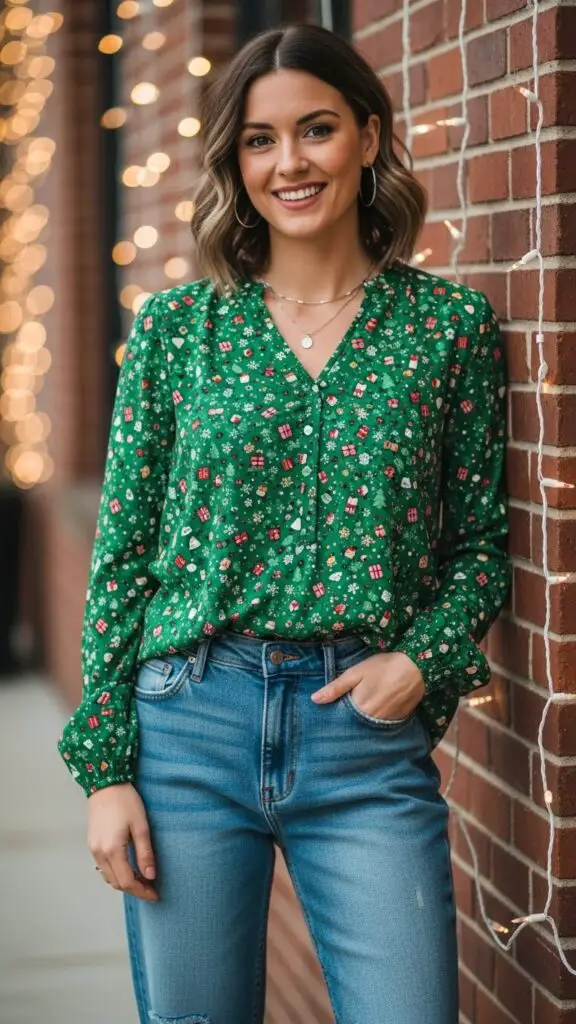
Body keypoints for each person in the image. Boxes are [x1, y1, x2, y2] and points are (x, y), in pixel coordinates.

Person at [57, 22, 511, 1024]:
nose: (288, 162)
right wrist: (106, 774)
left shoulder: (448, 330)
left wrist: (421, 660)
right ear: (236, 162)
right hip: (189, 723)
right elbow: (123, 559)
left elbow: (481, 547)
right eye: (260, 141)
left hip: (362, 737)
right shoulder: (179, 333)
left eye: (314, 130)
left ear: (369, 135)